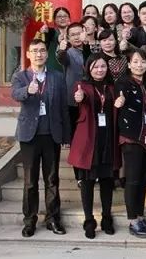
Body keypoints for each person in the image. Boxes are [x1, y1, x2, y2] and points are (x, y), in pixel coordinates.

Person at [11, 39, 70, 238]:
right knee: (30, 181)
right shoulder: (20, 76)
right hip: (30, 136)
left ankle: (53, 218)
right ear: (28, 54)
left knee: (52, 179)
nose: (39, 54)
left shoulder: (57, 77)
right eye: (35, 51)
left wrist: (66, 134)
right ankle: (30, 220)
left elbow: (63, 107)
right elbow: (15, 94)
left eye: (42, 50)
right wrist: (27, 91)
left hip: (51, 135)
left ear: (47, 54)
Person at [68, 54, 120, 239]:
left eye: (103, 66)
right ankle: (89, 221)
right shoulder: (81, 86)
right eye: (96, 67)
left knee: (107, 182)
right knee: (87, 183)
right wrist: (79, 97)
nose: (100, 70)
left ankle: (106, 218)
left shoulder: (112, 87)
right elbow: (79, 100)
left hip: (108, 139)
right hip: (89, 140)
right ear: (89, 69)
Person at [115, 49, 146, 238]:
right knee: (133, 180)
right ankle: (132, 220)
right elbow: (116, 107)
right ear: (128, 64)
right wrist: (118, 103)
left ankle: (140, 216)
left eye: (142, 62)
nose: (139, 65)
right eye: (135, 62)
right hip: (131, 138)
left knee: (143, 180)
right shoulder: (122, 84)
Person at [56, 22, 87, 185]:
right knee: (76, 139)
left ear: (85, 33)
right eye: (72, 35)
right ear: (68, 38)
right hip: (73, 103)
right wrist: (61, 49)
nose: (76, 37)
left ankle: (90, 172)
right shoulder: (68, 53)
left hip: (91, 100)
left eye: (79, 33)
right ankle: (79, 175)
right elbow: (61, 58)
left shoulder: (92, 50)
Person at [39, 6, 71, 72]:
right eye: (59, 16)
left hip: (70, 70)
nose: (62, 18)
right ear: (54, 19)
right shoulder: (51, 32)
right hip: (52, 69)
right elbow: (46, 36)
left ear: (69, 19)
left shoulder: (73, 33)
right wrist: (45, 32)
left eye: (65, 16)